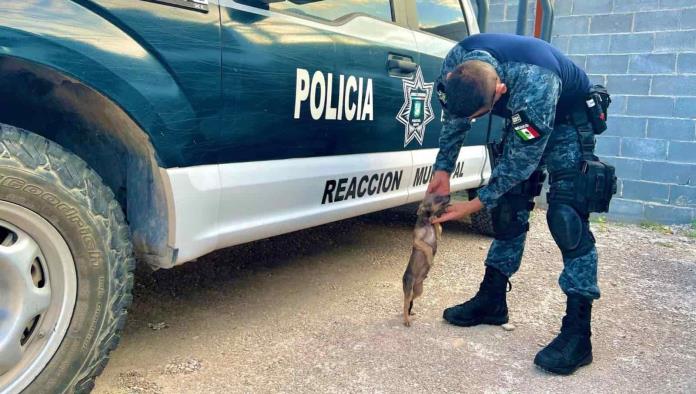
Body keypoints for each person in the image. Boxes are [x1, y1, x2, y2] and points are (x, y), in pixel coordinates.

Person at [427, 33, 615, 375]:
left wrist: (474, 204)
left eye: (480, 116)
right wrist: (443, 170)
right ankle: (492, 300)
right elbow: (455, 118)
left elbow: (521, 162)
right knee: (508, 208)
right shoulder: (456, 63)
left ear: (499, 92)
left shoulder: (534, 82)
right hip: (525, 114)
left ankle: (578, 334)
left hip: (565, 119)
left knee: (566, 216)